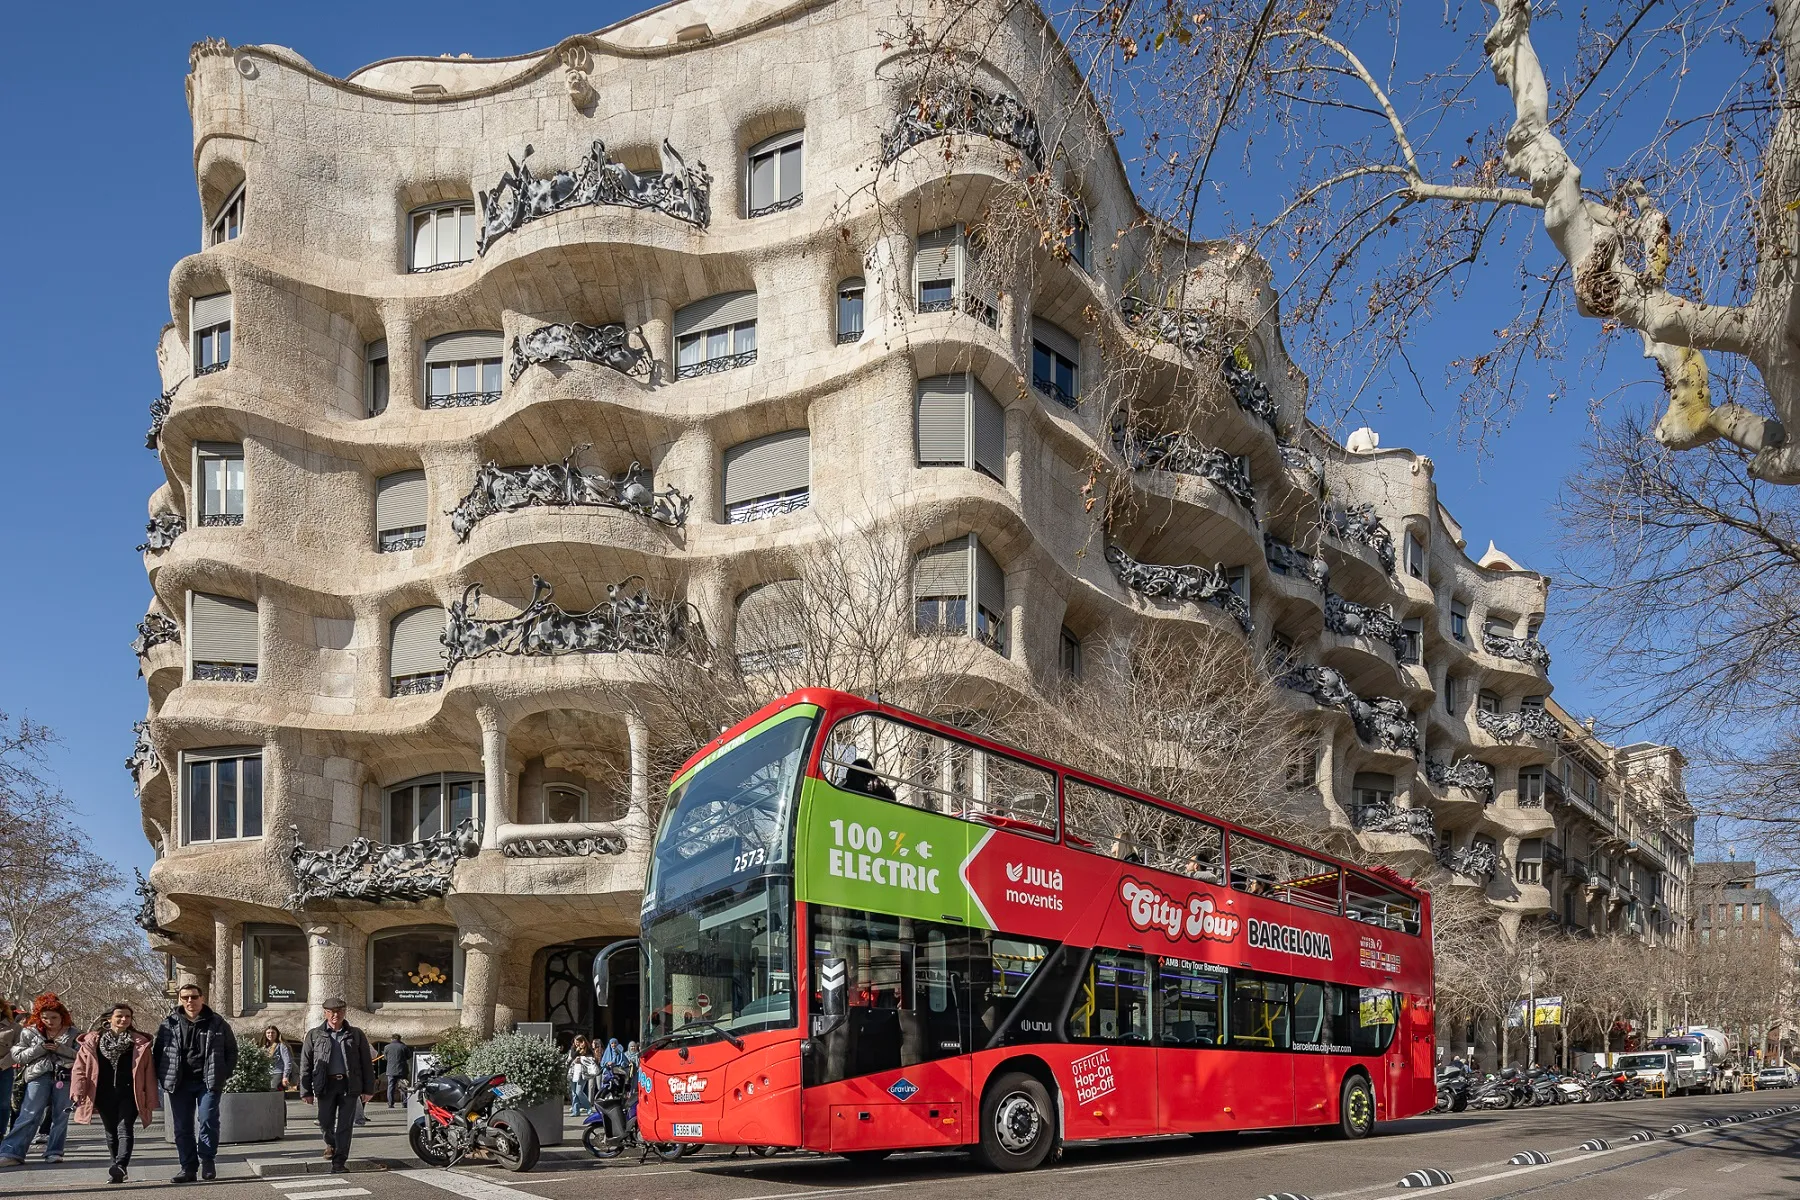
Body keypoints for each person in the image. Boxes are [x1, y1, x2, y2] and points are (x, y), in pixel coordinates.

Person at [154, 983, 237, 1183]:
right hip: (179, 1083)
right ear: (180, 1000)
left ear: (202, 998)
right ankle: (188, 1167)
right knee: (182, 1126)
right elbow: (159, 1053)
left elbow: (231, 1051)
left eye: (193, 996)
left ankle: (207, 1160)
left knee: (208, 1120)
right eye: (185, 998)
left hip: (207, 1081)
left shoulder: (217, 1022)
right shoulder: (169, 1023)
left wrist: (223, 1073)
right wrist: (164, 1077)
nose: (189, 1001)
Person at [71, 1003, 157, 1184]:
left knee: (124, 1129)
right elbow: (79, 1069)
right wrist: (78, 1091)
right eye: (119, 1016)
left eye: (127, 1016)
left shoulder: (139, 1043)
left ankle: (121, 1166)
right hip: (103, 1093)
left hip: (130, 1093)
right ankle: (116, 1166)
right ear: (108, 1018)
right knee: (110, 1132)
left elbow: (149, 1072)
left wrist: (150, 1097)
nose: (124, 1019)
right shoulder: (92, 1041)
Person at [0, 994, 79, 1167]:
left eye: (54, 1017)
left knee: (61, 1115)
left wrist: (60, 1048)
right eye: (45, 1018)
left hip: (65, 1076)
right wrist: (39, 1049)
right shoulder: (30, 1031)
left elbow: (81, 1056)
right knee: (29, 1113)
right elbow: (18, 1055)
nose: (49, 1021)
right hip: (37, 1075)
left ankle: (55, 1151)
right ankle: (11, 1152)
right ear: (39, 1017)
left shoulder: (74, 1033)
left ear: (62, 1016)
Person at [298, 998, 375, 1173]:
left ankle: (339, 1162)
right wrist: (305, 1091)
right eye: (331, 1012)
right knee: (325, 1122)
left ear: (344, 1012)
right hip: (325, 1085)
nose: (335, 1015)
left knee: (345, 1126)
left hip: (349, 1085)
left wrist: (368, 1090)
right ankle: (331, 1144)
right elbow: (305, 1064)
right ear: (325, 1013)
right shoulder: (314, 1035)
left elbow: (366, 1064)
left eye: (339, 1011)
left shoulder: (355, 1034)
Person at [566, 1036, 597, 1116]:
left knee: (579, 1091)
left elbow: (591, 1059)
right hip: (573, 1072)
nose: (576, 1043)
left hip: (583, 1073)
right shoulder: (573, 1048)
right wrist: (578, 1050)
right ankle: (576, 1111)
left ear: (582, 1041)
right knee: (573, 1093)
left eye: (578, 1042)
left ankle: (588, 1107)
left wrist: (581, 1059)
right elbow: (572, 1056)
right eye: (575, 1041)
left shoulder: (588, 1049)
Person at [0, 998, 17, 1138]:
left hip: (4, 1070)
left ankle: (0, 1132)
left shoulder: (14, 1027)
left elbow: (17, 1050)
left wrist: (2, 1065)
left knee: (3, 1103)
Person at [262, 1026, 295, 1093]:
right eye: (268, 1033)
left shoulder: (281, 1046)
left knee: (275, 1096)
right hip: (266, 1075)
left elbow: (287, 1061)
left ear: (277, 1034)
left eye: (273, 1033)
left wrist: (285, 1076)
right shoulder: (264, 1046)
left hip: (277, 1074)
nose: (270, 1034)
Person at [381, 1034, 411, 1108]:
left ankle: (390, 1103)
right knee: (403, 1086)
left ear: (391, 1039)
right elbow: (409, 1056)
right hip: (402, 1070)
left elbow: (385, 1058)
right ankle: (404, 1103)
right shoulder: (403, 1046)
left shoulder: (387, 1047)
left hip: (391, 1070)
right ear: (400, 1039)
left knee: (391, 1087)